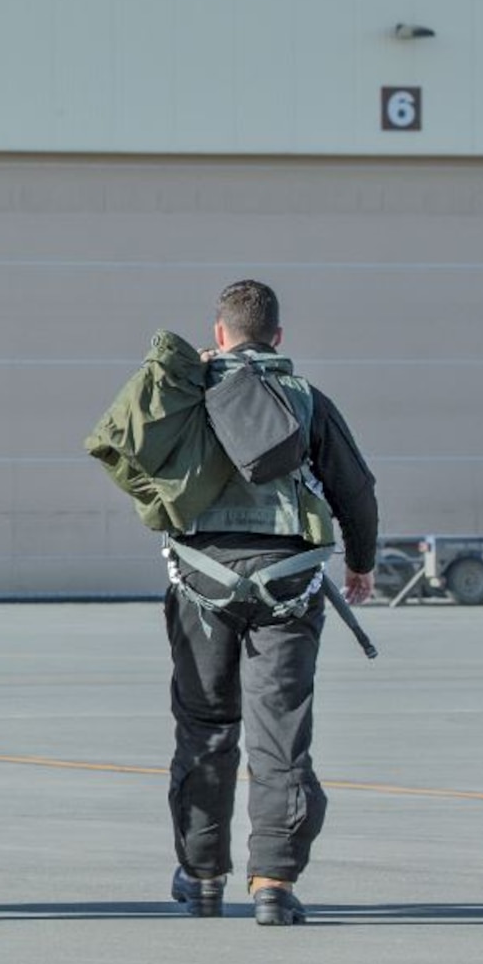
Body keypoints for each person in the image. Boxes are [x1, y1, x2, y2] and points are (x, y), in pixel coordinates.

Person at [162, 279, 378, 926]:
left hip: (199, 581)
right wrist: (362, 564)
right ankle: (273, 884)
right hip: (290, 584)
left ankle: (202, 877)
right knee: (280, 736)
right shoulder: (308, 401)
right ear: (277, 338)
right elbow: (356, 490)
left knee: (205, 729)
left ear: (220, 333)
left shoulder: (188, 395)